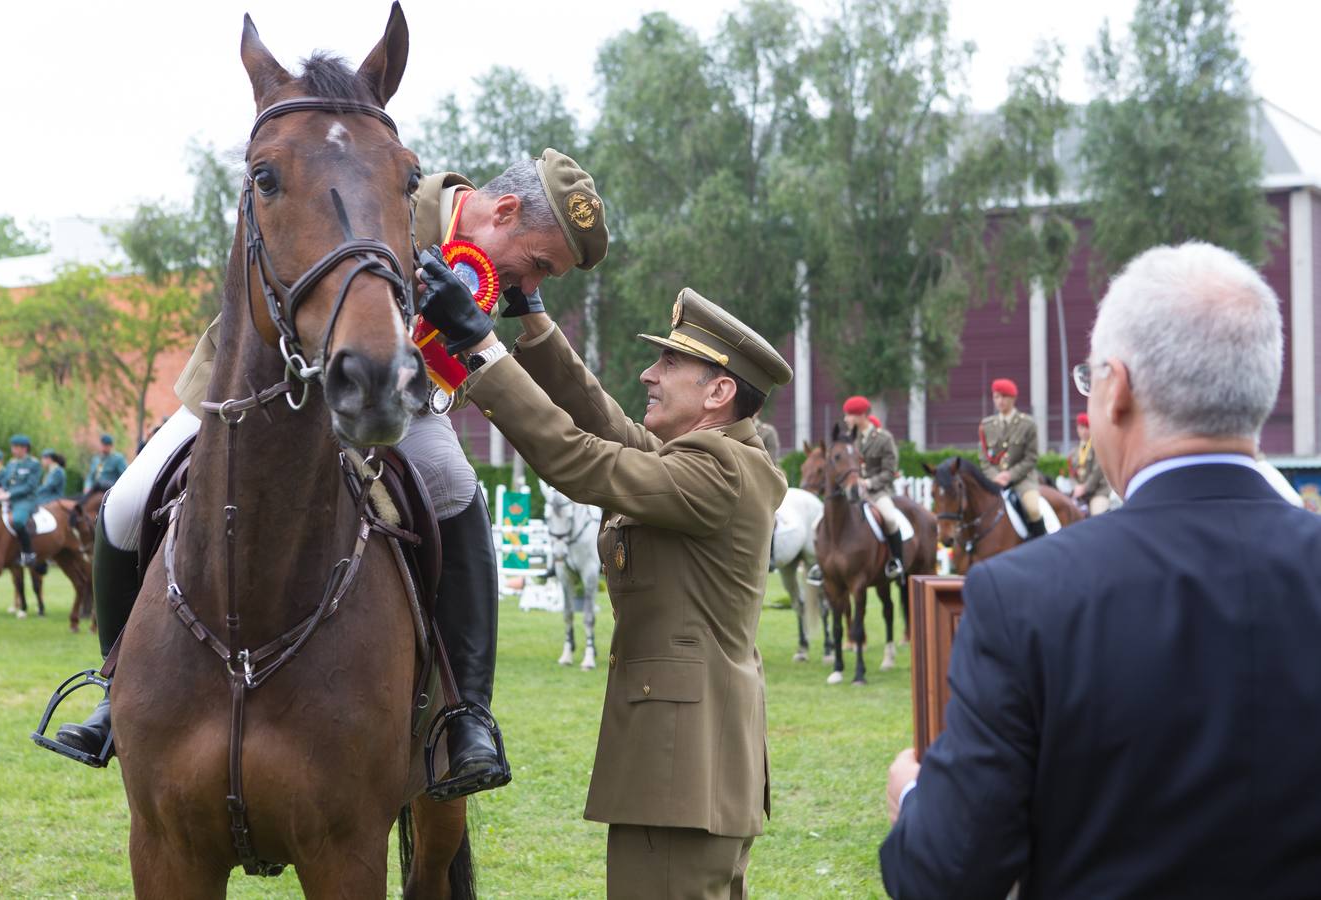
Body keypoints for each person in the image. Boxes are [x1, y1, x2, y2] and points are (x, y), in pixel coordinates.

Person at [49, 149, 609, 803]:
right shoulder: (381, 194)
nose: (526, 285)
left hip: (399, 403)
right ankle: (117, 694)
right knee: (125, 502)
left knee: (460, 494)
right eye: (537, 264)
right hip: (262, 381)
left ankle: (467, 719)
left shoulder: (498, 276)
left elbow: (496, 356)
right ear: (505, 211)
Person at [879, 242, 1321, 898]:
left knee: (1032, 512)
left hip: (1030, 496)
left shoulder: (1021, 596)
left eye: (1090, 379)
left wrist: (914, 797)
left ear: (1117, 391)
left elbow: (947, 874)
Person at [420, 274, 790, 898]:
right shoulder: (714, 460)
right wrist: (534, 325)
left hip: (683, 774)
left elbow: (583, 459)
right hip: (690, 768)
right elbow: (608, 426)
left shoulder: (719, 471)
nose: (649, 374)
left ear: (719, 391)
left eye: (669, 362)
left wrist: (482, 348)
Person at [844, 396, 905, 581]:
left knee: (890, 519)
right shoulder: (848, 439)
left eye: (849, 415)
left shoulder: (883, 438)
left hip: (877, 492)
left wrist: (868, 483)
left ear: (861, 416)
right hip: (852, 492)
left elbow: (889, 471)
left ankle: (896, 560)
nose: (846, 419)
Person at [979, 377, 1044, 538]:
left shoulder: (1027, 424)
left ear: (1013, 398)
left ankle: (1040, 543)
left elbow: (1031, 458)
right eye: (996, 397)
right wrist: (996, 476)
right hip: (994, 481)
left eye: (1004, 396)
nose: (1000, 401)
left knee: (1033, 509)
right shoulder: (986, 426)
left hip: (1023, 480)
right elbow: (984, 459)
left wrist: (1010, 475)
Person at [0, 435, 43, 568]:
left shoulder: (34, 464)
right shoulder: (11, 463)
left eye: (15, 447)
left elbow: (30, 486)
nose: (13, 450)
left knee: (18, 521)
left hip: (26, 500)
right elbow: (5, 481)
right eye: (13, 447)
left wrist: (9, 494)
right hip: (9, 500)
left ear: (24, 448)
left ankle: (28, 553)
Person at [1069, 411, 1110, 515]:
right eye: (1081, 427)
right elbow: (1071, 473)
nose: (1084, 431)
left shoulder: (1098, 447)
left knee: (1097, 513)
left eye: (1086, 427)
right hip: (1079, 494)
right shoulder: (1074, 452)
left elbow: (1098, 471)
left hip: (1098, 492)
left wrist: (1084, 488)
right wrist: (1075, 487)